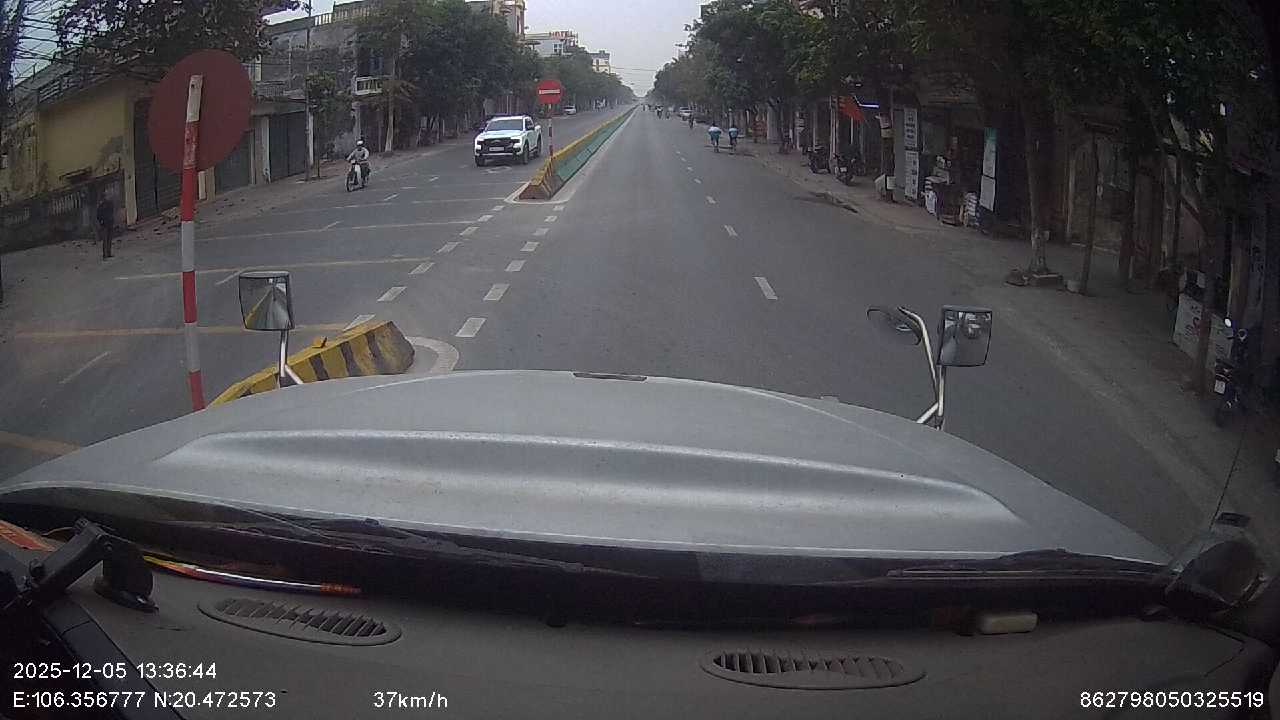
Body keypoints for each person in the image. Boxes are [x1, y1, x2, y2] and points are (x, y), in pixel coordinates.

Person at [96, 193, 115, 260]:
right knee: (105, 240)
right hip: (104, 224)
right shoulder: (101, 206)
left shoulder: (109, 204)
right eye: (105, 197)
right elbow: (98, 215)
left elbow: (112, 212)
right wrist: (101, 221)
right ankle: (105, 254)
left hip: (109, 223)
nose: (106, 198)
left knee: (109, 239)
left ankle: (108, 253)